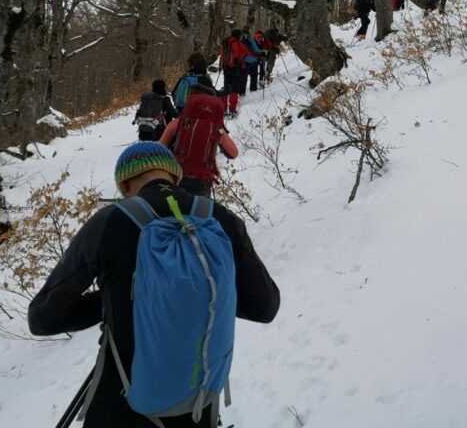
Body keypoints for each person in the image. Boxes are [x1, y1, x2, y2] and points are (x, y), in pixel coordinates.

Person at [28, 143, 279, 428]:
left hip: (120, 405)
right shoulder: (220, 219)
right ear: (175, 177)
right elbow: (264, 306)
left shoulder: (109, 222)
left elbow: (44, 318)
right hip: (197, 406)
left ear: (124, 185)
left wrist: (110, 301)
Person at [159, 87, 236, 196]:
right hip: (202, 183)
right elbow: (233, 153)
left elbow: (158, 149)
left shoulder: (177, 123)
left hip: (176, 177)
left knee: (174, 211)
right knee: (198, 211)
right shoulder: (216, 128)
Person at [218, 29, 249, 116]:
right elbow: (240, 54)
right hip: (234, 67)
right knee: (234, 88)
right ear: (238, 36)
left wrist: (221, 65)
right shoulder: (236, 43)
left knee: (226, 86)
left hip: (225, 66)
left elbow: (222, 54)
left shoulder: (225, 42)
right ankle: (232, 110)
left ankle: (223, 109)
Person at [241, 28, 263, 93]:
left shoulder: (240, 40)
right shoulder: (251, 39)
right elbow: (256, 50)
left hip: (244, 61)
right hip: (253, 60)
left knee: (243, 77)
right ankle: (253, 90)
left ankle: (242, 92)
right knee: (254, 76)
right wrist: (261, 54)